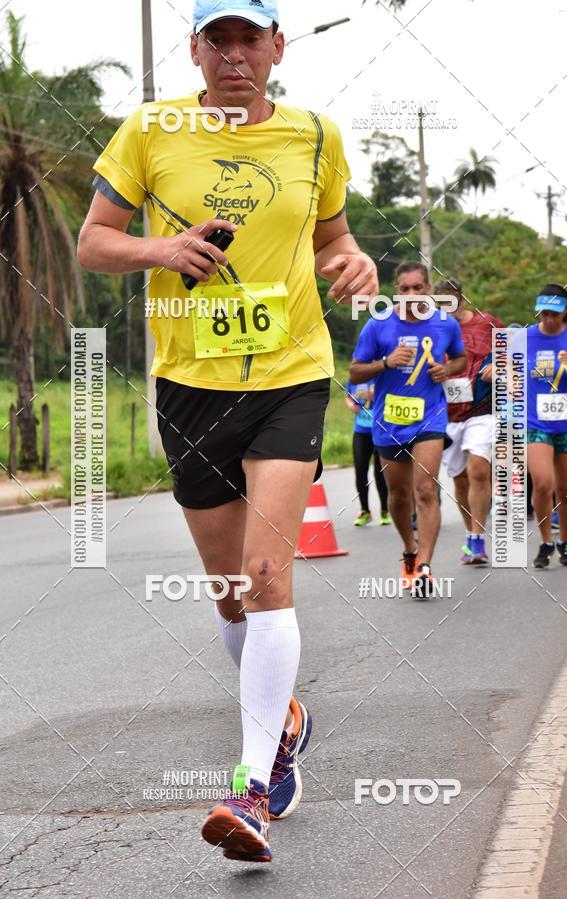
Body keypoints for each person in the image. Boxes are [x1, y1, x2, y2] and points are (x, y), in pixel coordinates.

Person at [78, 0, 378, 864]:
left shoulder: (316, 136)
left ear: (278, 48)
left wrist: (348, 261)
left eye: (252, 38)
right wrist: (162, 252)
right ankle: (286, 720)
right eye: (220, 39)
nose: (236, 54)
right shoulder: (150, 130)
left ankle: (251, 788)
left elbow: (333, 238)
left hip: (290, 372)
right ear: (197, 49)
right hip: (190, 382)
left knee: (267, 571)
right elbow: (96, 243)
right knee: (230, 593)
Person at [349, 261, 466, 595]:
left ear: (428, 289)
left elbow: (460, 359)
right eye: (404, 289)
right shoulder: (378, 325)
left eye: (418, 288)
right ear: (395, 290)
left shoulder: (445, 324)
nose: (411, 295)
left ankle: (426, 567)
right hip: (389, 422)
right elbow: (355, 372)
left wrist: (447, 371)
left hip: (430, 417)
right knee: (399, 497)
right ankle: (410, 551)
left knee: (426, 490)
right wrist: (386, 363)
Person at [522, 285, 567, 568]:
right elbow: (506, 366)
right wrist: (495, 369)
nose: (549, 319)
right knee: (542, 483)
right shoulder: (524, 337)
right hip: (535, 420)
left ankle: (564, 541)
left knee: (565, 488)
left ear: (565, 311)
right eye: (544, 313)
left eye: (554, 313)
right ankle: (545, 542)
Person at [433, 278, 503, 565]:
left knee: (477, 469)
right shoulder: (433, 328)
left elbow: (513, 355)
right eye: (439, 306)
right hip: (447, 413)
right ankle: (470, 534)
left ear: (462, 300)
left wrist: (500, 365)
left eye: (449, 303)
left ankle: (478, 538)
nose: (445, 310)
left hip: (482, 410)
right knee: (459, 479)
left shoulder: (488, 323)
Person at [344, 378, 390, 526]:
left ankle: (385, 510)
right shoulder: (355, 376)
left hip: (380, 430)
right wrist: (351, 404)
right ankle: (365, 511)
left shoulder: (381, 374)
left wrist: (375, 397)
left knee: (380, 472)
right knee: (360, 470)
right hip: (361, 431)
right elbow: (347, 396)